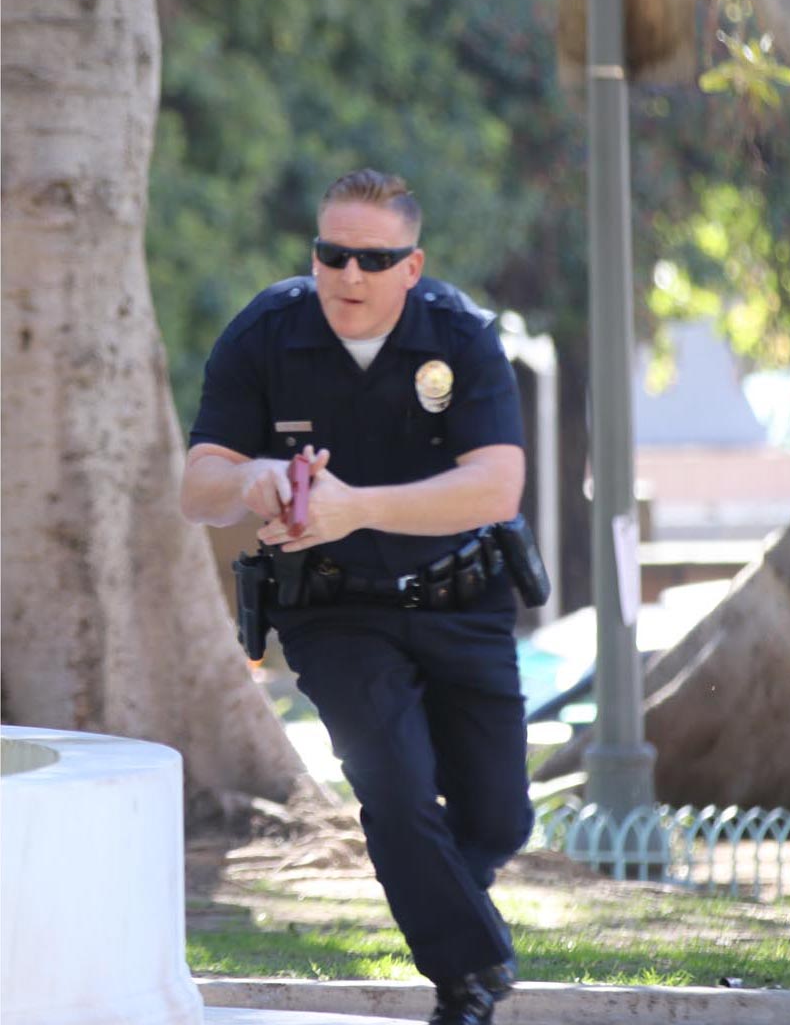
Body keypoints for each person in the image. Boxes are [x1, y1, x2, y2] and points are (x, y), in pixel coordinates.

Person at [180, 169, 534, 1025]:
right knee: (395, 791)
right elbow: (199, 486)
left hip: (461, 598)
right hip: (335, 611)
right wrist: (253, 478)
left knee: (497, 819)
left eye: (373, 260)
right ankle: (466, 980)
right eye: (332, 254)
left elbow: (495, 487)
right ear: (314, 255)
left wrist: (357, 508)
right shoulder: (265, 333)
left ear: (411, 266)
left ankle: (448, 900)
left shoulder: (460, 336)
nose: (349, 275)